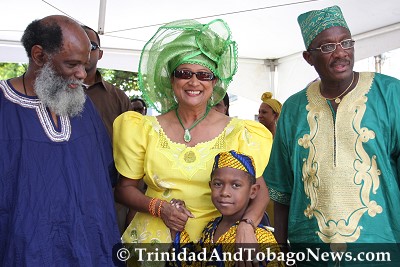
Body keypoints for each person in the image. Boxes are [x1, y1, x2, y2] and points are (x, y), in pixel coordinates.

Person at [113, 19, 273, 265]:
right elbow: (124, 190)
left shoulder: (240, 132)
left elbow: (260, 190)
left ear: (215, 82)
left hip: (217, 241)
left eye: (204, 75)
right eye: (184, 73)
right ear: (172, 80)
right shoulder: (143, 128)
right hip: (154, 244)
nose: (194, 82)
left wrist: (247, 224)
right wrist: (159, 208)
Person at [264, 5, 400, 265]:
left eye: (346, 42)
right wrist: (280, 254)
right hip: (312, 251)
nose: (341, 53)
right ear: (308, 57)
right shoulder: (293, 109)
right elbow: (281, 189)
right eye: (327, 47)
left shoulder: (390, 94)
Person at [0, 15, 120, 265]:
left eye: (85, 65)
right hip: (23, 252)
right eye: (72, 64)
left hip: (88, 250)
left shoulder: (83, 107)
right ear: (39, 56)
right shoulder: (4, 107)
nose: (81, 74)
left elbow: (105, 176)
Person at [82, 25, 132, 234]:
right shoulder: (49, 94)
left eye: (91, 46)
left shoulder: (118, 98)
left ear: (100, 54)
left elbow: (133, 153)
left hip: (109, 197)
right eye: (78, 44)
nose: (84, 50)